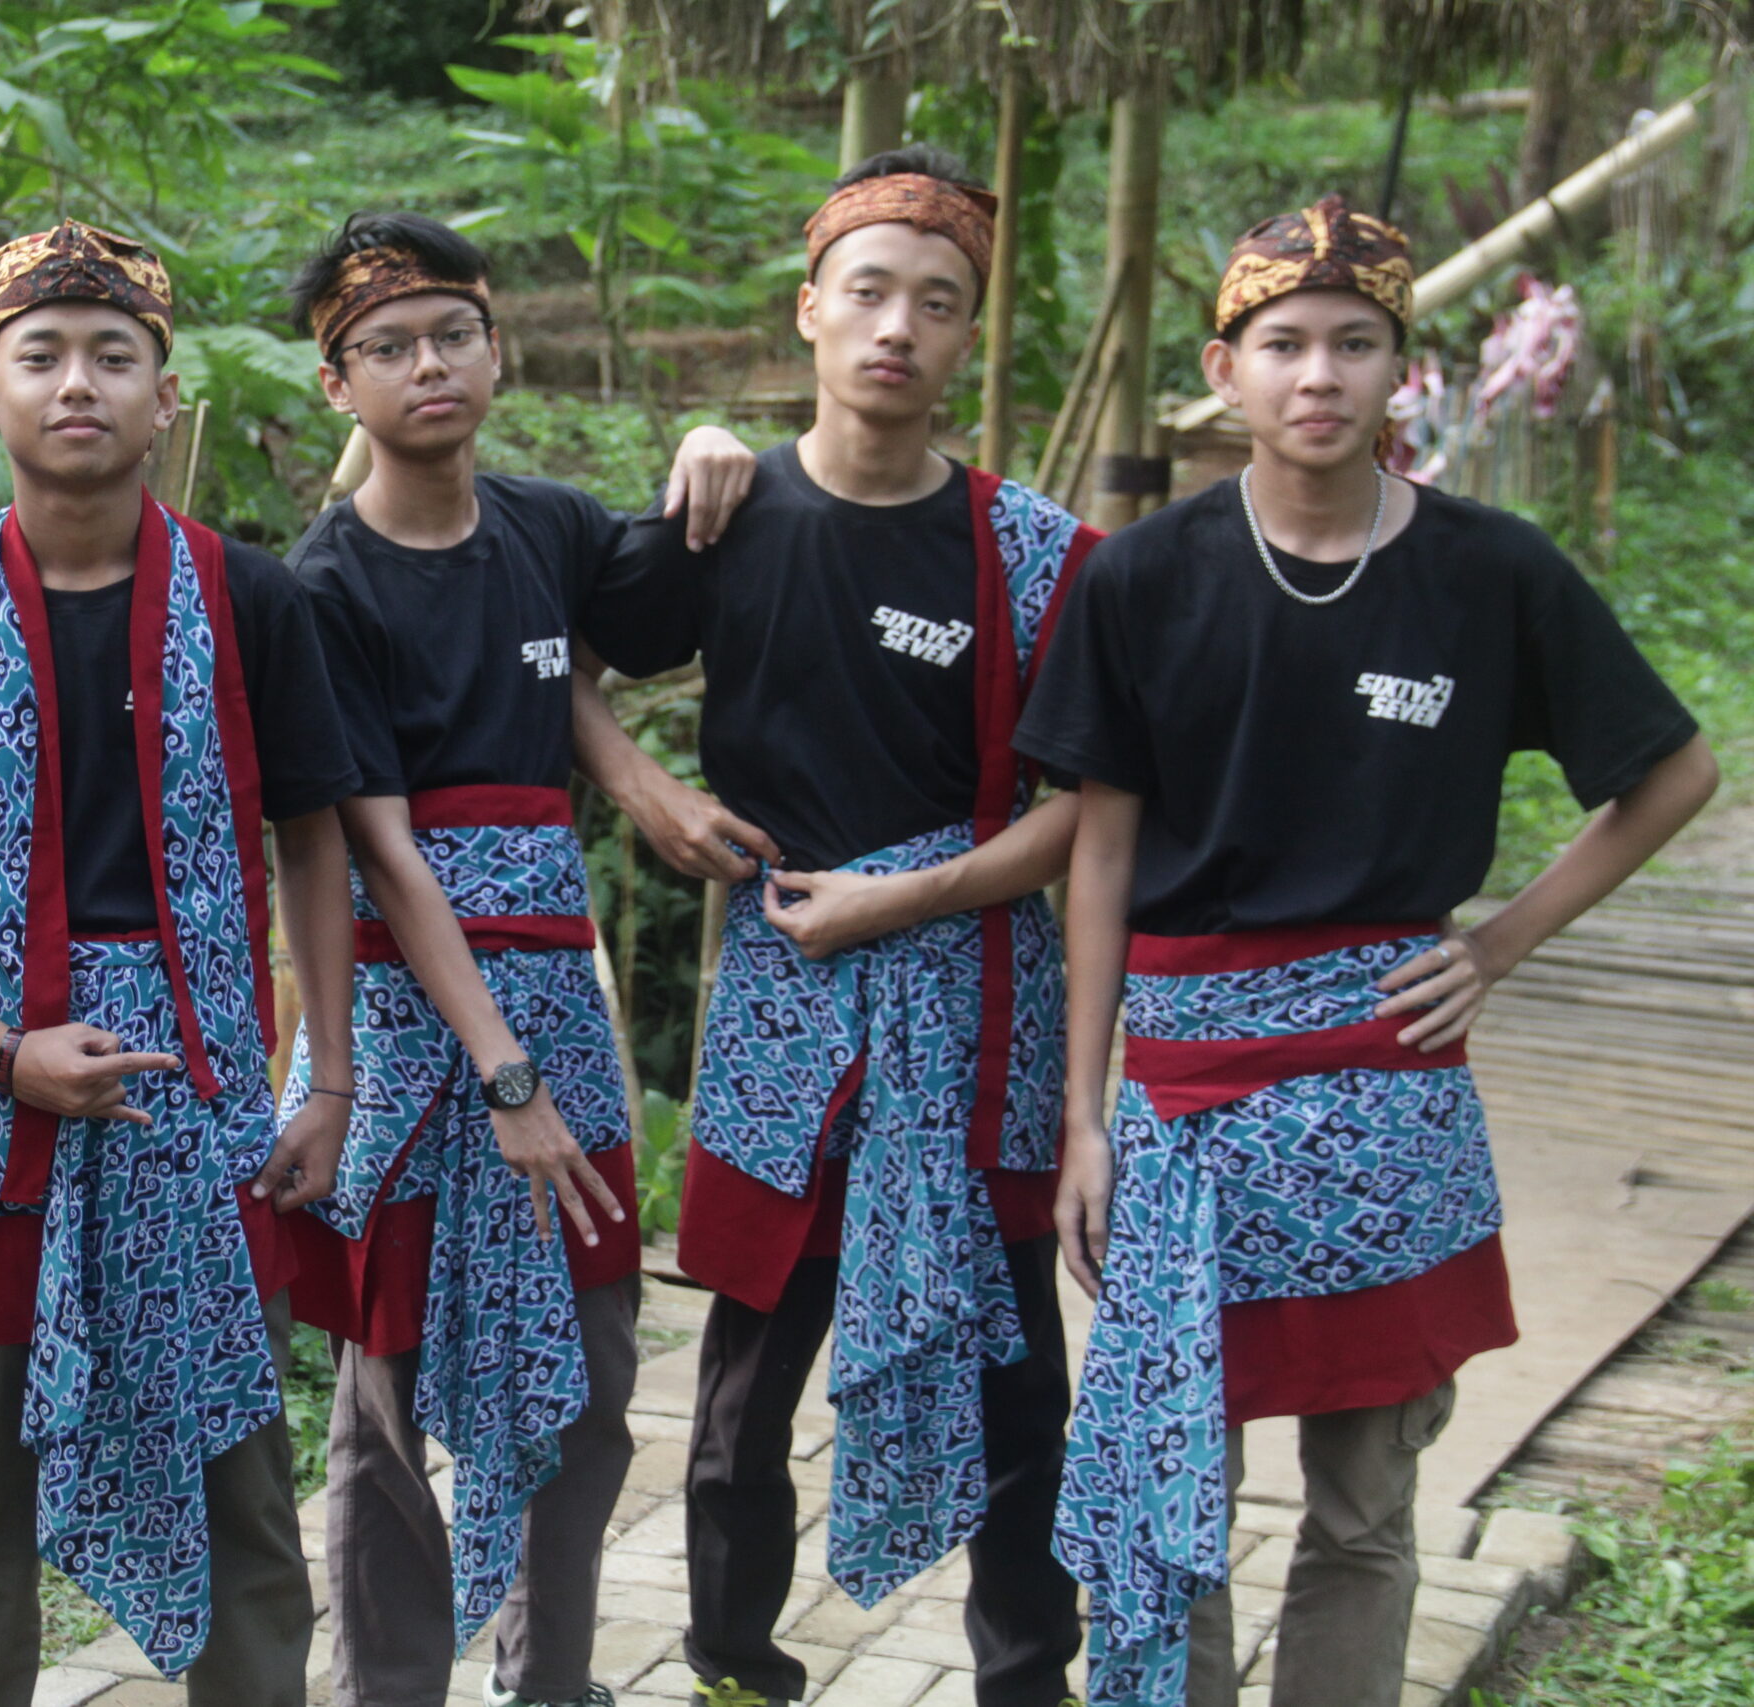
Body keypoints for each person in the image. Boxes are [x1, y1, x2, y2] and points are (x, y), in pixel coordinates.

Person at [1018, 194, 1719, 1707]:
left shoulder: (1490, 572)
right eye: (1283, 343)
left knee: (1364, 1502)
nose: (1319, 374)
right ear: (1226, 369)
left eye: (1355, 342)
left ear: (1404, 367)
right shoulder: (1141, 577)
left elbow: (1672, 771)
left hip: (1387, 1087)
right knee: (1167, 1490)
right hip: (1185, 1093)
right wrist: (1082, 1115)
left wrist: (1502, 942)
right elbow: (1101, 852)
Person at [579, 146, 1097, 1707]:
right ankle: (736, 1666)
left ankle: (1026, 1679)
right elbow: (552, 658)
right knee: (743, 1387)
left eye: (937, 303)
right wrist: (649, 792)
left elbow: (1092, 802)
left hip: (977, 1002)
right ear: (809, 309)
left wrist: (910, 894)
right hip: (782, 1007)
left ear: (969, 339)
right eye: (867, 291)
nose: (897, 327)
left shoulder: (1034, 551)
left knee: (1019, 1381)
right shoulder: (722, 515)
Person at [0, 220, 360, 1707]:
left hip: (202, 1109)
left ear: (164, 396)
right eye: (41, 355)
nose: (77, 383)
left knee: (244, 1501)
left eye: (114, 355)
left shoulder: (252, 602)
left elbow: (312, 841)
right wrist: (0, 1047)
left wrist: (327, 1082)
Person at [276, 211, 760, 1707]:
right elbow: (384, 855)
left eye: (453, 334)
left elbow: (660, 598)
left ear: (498, 350)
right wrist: (505, 1077)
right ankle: (389, 1687)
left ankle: (550, 1679)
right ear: (338, 384)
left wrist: (709, 445)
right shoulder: (323, 584)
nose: (428, 365)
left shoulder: (548, 528)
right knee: (389, 1388)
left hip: (555, 991)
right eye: (387, 347)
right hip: (411, 1020)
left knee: (592, 1363)